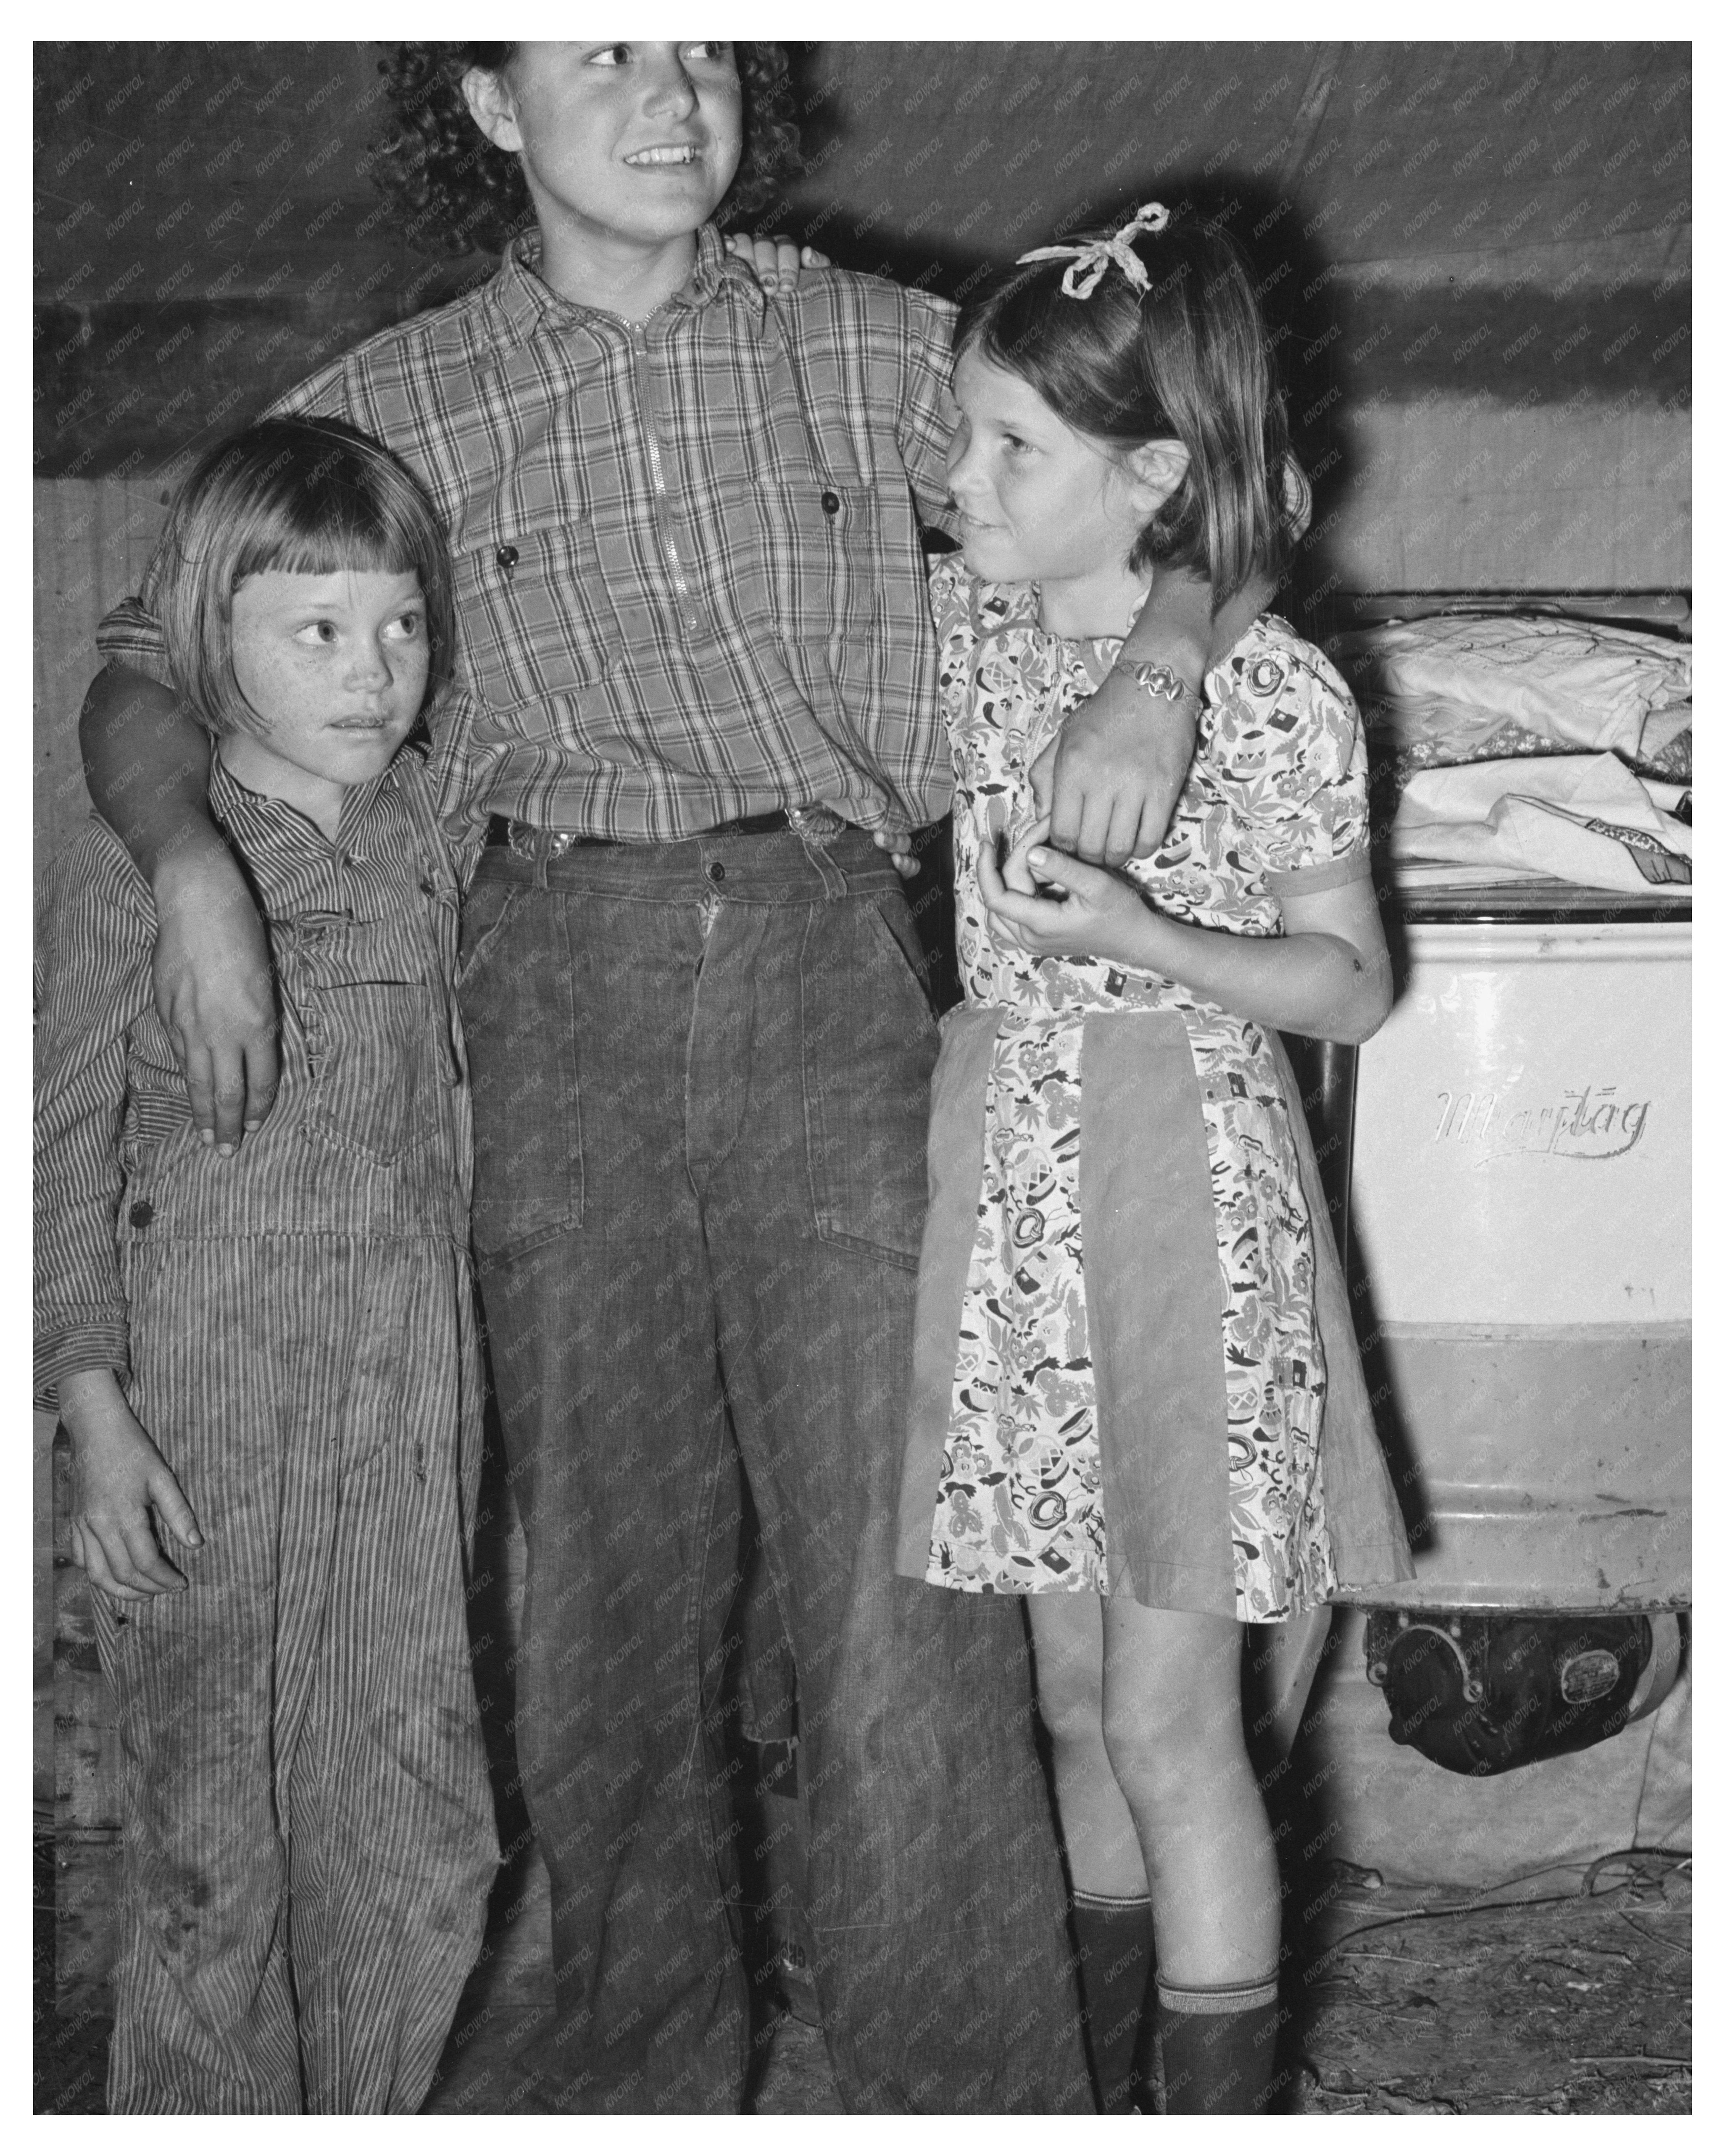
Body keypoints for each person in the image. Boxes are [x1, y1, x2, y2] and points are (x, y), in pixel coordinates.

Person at [78, 44, 1248, 2114]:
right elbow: (138, 659)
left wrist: (1156, 666)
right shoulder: (390, 400)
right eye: (604, 44)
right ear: (491, 101)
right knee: (582, 1616)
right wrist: (188, 865)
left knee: (908, 1612)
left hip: (836, 971)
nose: (669, 83)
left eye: (703, 42)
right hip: (542, 997)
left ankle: (964, 2097)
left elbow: (1209, 472)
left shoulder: (891, 346)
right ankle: (611, 2090)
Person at [894, 204, 1415, 2115]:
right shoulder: (971, 631)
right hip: (1011, 1189)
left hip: (1181, 1196)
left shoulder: (1268, 696)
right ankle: (1105, 2096)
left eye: (1008, 451)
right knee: (1058, 1704)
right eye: (963, 438)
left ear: (1150, 478)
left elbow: (1347, 989)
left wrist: (1147, 940)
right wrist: (1159, 615)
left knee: (1165, 1719)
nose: (960, 480)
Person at [37, 418, 497, 2112]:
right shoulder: (132, 865)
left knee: (421, 1836)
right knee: (211, 1860)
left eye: (400, 627)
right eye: (314, 631)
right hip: (196, 1424)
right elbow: (54, 1141)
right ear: (200, 638)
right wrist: (89, 1419)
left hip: (404, 1429)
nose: (372, 672)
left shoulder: (437, 832)